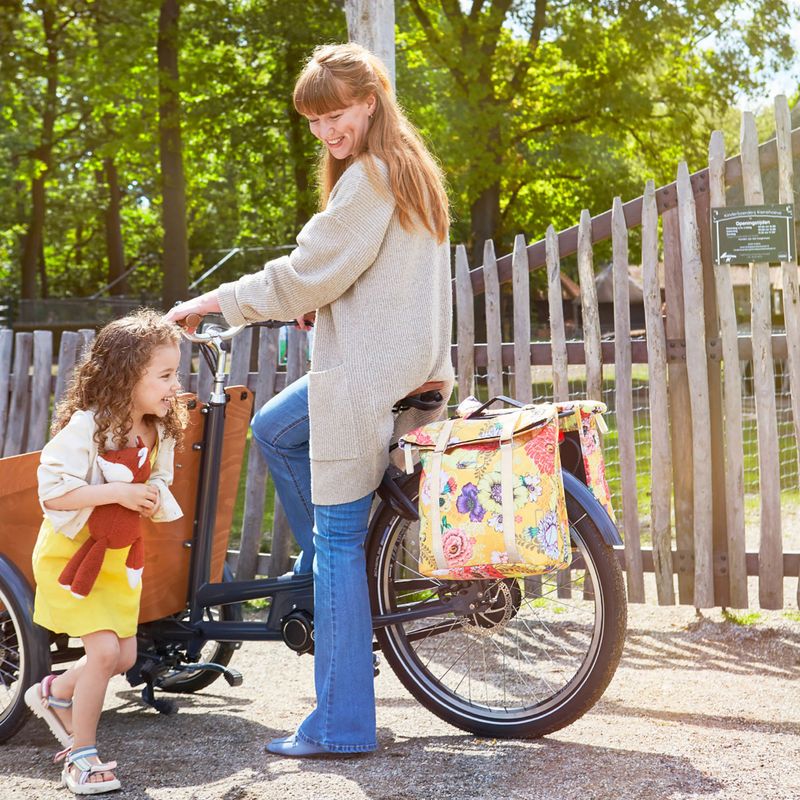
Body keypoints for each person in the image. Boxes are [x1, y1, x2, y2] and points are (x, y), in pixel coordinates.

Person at [165, 42, 454, 758]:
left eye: (337, 115)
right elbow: (356, 275)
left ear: (370, 101)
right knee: (274, 428)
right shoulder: (412, 168)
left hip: (366, 377)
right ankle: (335, 575)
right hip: (408, 365)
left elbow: (304, 271)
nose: (328, 132)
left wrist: (213, 301)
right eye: (316, 121)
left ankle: (342, 723)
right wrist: (317, 306)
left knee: (336, 546)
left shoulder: (371, 176)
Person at [25, 309, 186, 794]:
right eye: (164, 375)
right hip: (75, 558)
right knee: (102, 654)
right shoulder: (87, 427)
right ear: (124, 376)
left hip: (120, 560)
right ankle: (81, 756)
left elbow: (159, 478)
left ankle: (53, 692)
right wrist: (115, 494)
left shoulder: (158, 430)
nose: (174, 385)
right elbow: (53, 493)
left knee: (122, 656)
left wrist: (154, 493)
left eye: (174, 373)